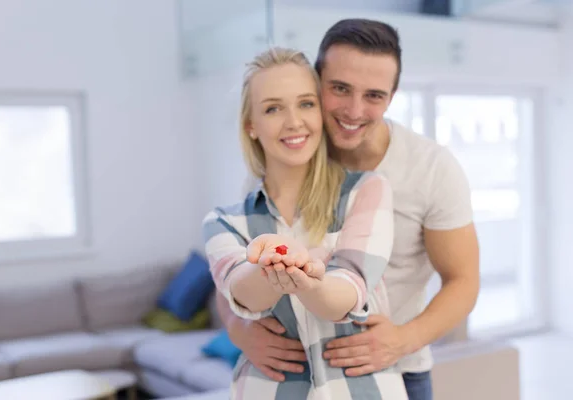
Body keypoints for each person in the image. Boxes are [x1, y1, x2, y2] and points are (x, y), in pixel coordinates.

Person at [219, 19, 480, 400]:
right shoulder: (282, 159)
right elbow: (228, 266)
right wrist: (238, 331)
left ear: (392, 97)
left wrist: (402, 341)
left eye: (374, 95)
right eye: (340, 89)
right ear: (317, 80)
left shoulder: (431, 168)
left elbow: (464, 281)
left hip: (393, 370)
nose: (354, 110)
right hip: (295, 377)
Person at [202, 47, 408, 399]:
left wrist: (304, 275)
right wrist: (276, 262)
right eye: (273, 108)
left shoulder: (367, 190)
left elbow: (348, 290)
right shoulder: (223, 221)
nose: (294, 121)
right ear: (251, 125)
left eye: (306, 104)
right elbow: (241, 291)